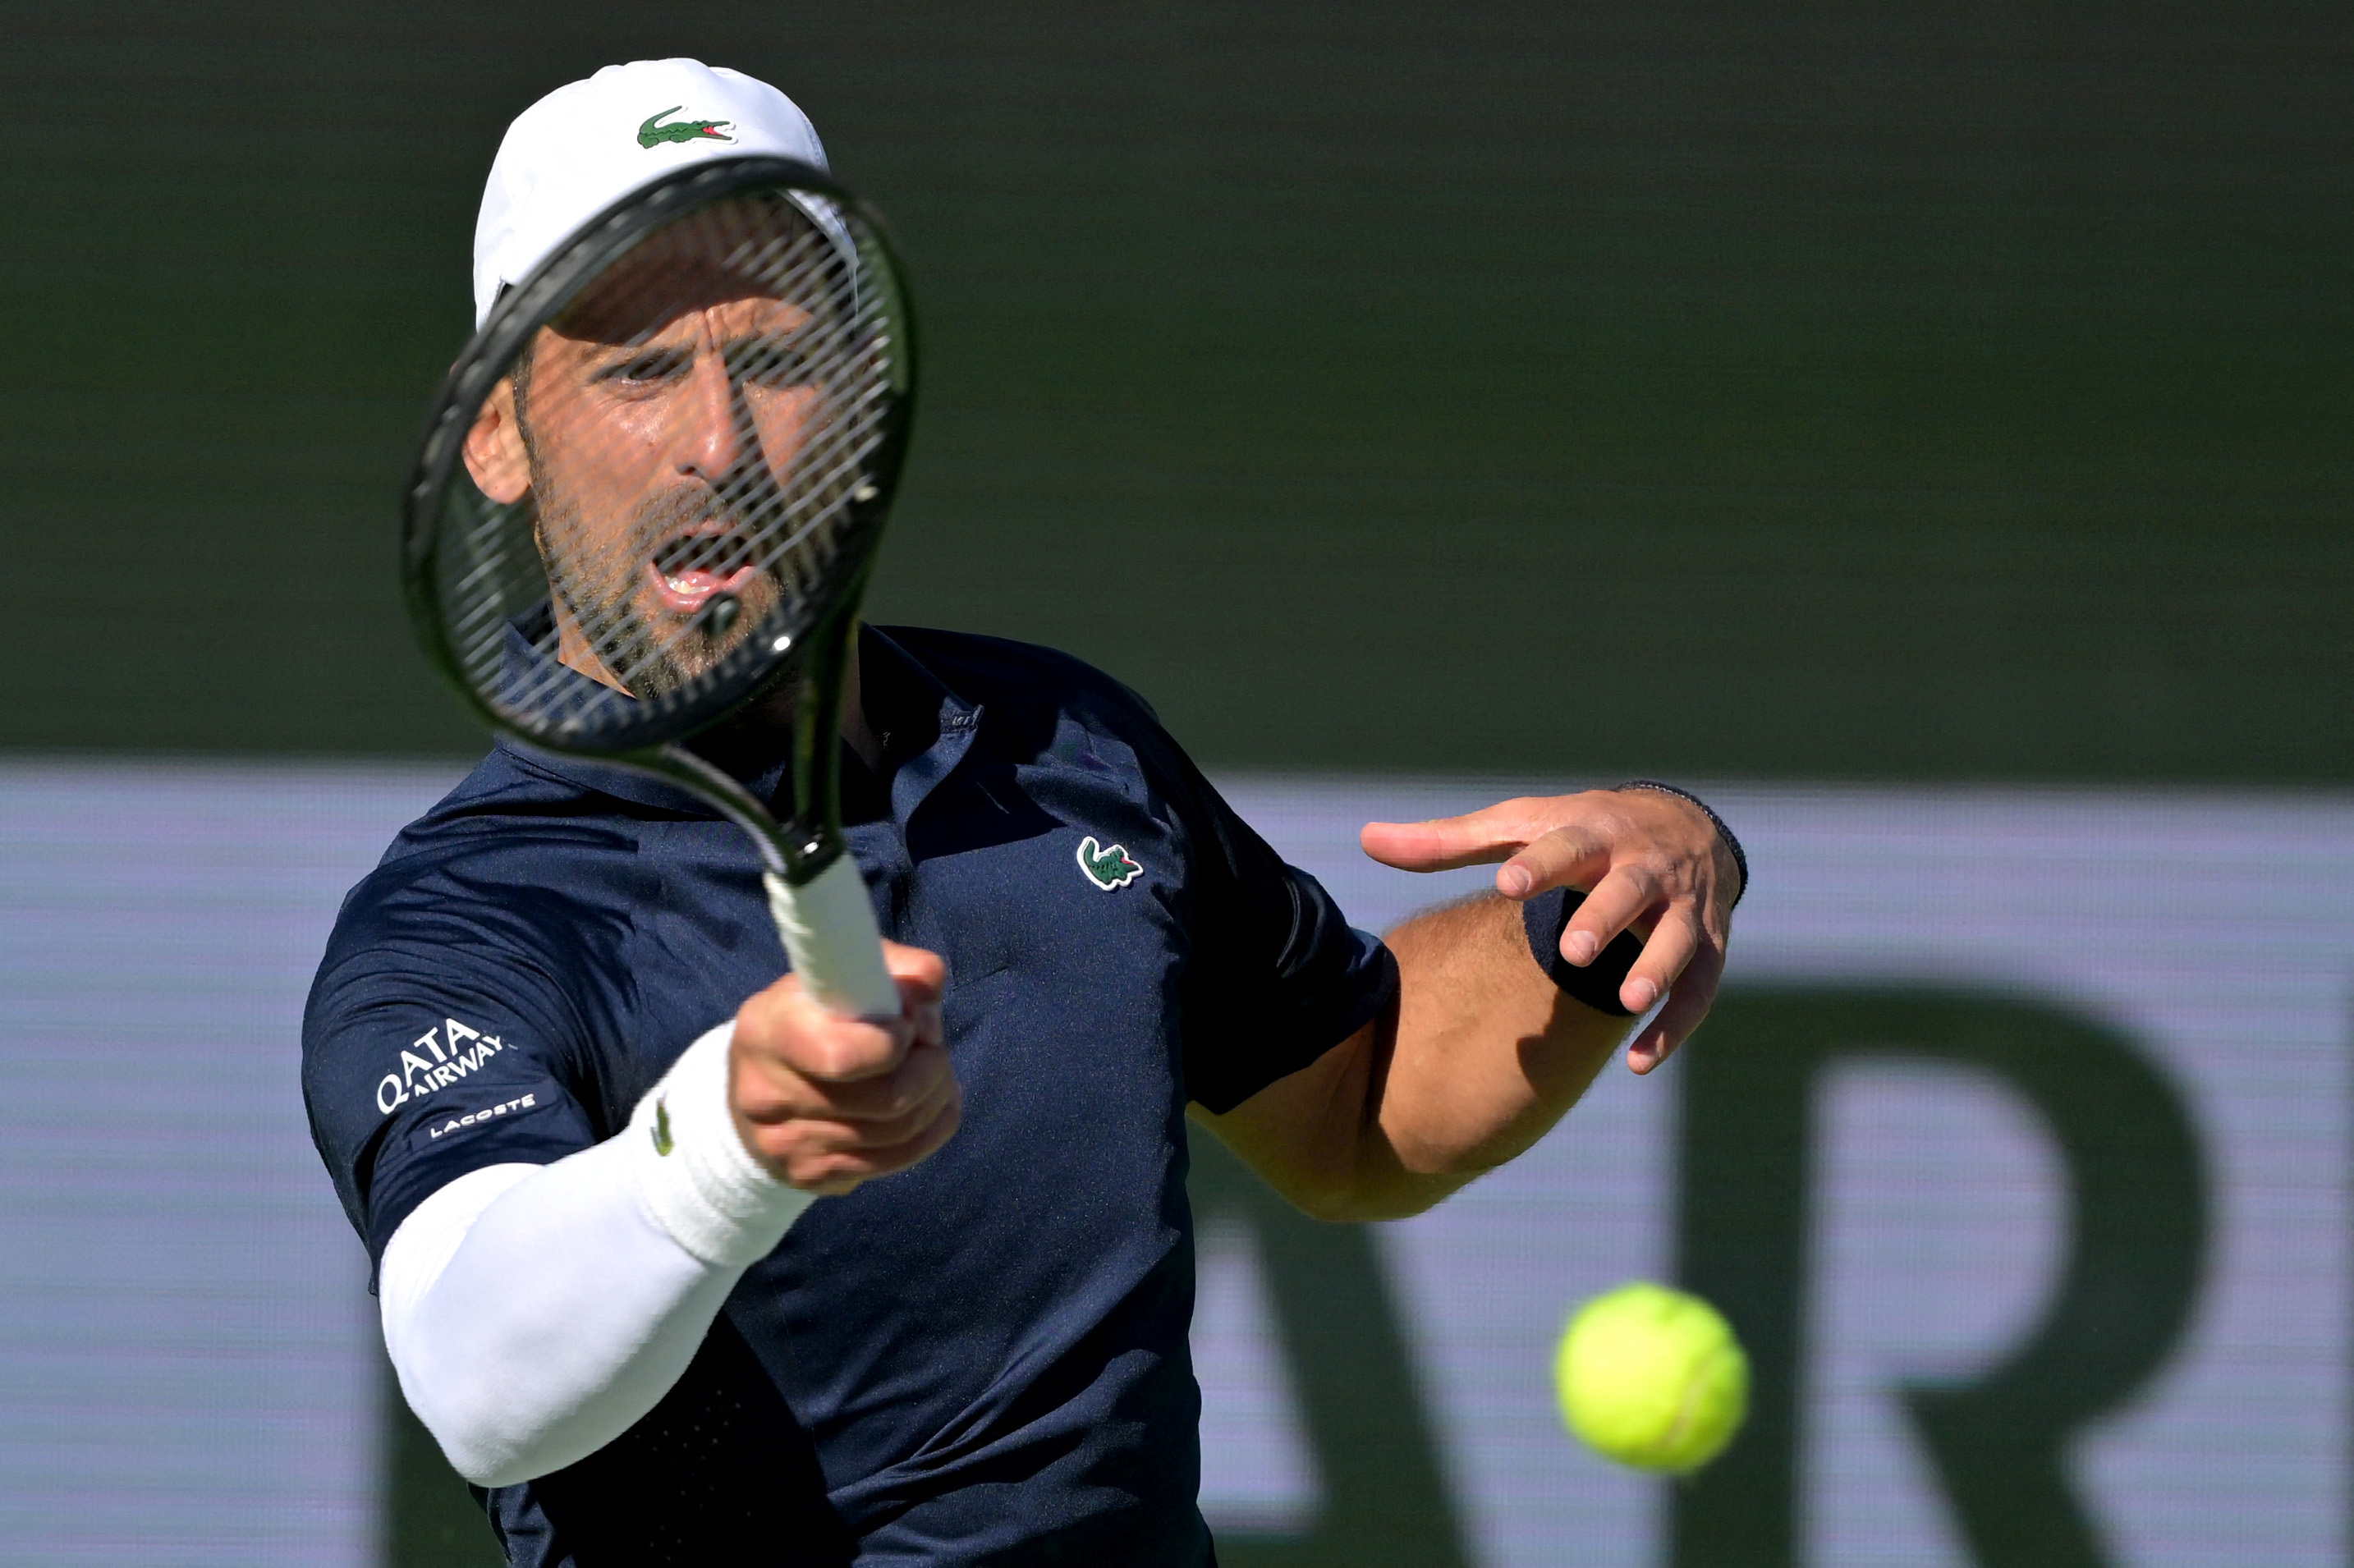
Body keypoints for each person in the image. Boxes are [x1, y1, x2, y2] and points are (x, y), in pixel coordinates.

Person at [302, 57, 1745, 1567]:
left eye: (781, 361)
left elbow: (1355, 1104)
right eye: (639, 368)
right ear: (501, 437)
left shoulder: (1064, 739)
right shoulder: (462, 925)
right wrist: (726, 1143)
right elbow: (479, 1381)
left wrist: (1615, 900)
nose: (719, 442)